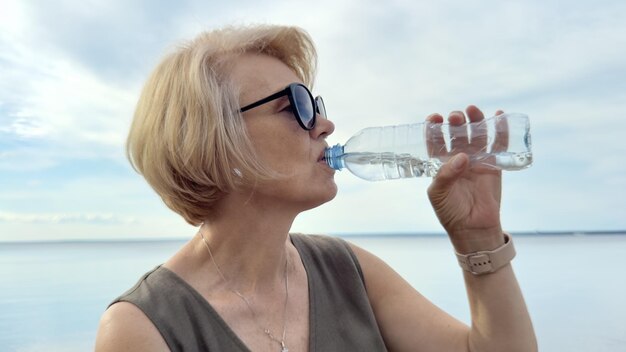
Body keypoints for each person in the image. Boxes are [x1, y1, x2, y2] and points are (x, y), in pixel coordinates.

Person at [95, 25, 537, 352]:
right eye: (298, 107)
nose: (325, 125)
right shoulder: (143, 328)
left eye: (317, 104)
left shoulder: (347, 271)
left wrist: (478, 238)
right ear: (215, 143)